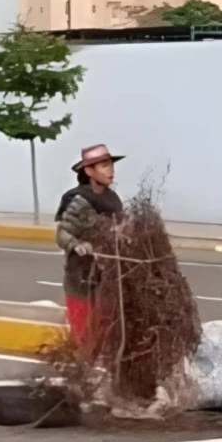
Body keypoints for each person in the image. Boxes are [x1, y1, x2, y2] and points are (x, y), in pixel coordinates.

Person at [54, 144, 125, 345]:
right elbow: (62, 233)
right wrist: (77, 244)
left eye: (110, 165)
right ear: (89, 171)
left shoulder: (112, 199)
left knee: (106, 332)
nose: (111, 170)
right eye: (104, 166)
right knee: (84, 335)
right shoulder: (79, 200)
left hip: (107, 278)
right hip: (82, 278)